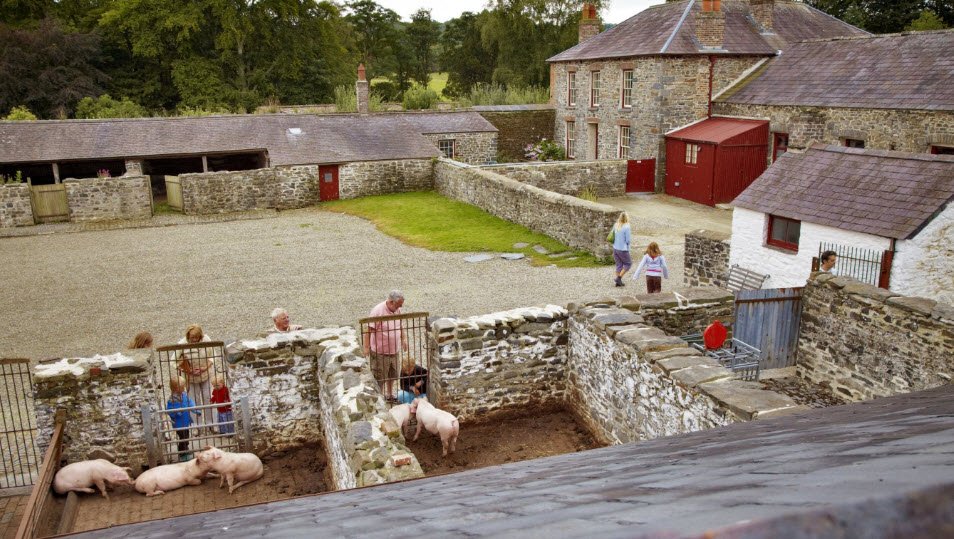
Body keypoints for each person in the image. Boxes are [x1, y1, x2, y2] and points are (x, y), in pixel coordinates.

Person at [363, 290, 408, 402]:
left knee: (393, 374)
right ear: (391, 302)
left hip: (394, 350)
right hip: (380, 352)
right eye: (399, 304)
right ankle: (379, 397)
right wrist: (366, 348)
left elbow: (400, 325)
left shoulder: (397, 310)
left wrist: (404, 338)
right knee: (380, 376)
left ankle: (389, 394)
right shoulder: (377, 311)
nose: (401, 307)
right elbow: (368, 330)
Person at [177, 324, 215, 430]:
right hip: (190, 378)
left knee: (208, 398)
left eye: (196, 337)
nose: (194, 340)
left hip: (205, 374)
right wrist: (186, 370)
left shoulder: (206, 340)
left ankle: (211, 424)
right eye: (191, 337)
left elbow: (212, 357)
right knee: (193, 400)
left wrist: (204, 368)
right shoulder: (181, 344)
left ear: (200, 337)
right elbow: (174, 362)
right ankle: (196, 426)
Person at [167, 376, 200, 462]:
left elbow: (190, 402)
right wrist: (176, 412)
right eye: (182, 387)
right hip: (179, 423)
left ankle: (186, 450)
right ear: (176, 388)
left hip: (185, 421)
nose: (184, 388)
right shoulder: (172, 400)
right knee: (183, 437)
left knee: (186, 436)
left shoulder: (184, 395)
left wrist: (195, 410)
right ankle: (182, 454)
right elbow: (169, 410)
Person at [611, 212, 632, 287]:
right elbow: (628, 240)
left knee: (619, 264)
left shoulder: (616, 225)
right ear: (627, 218)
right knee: (628, 264)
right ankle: (618, 278)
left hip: (615, 248)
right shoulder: (627, 226)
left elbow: (612, 234)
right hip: (622, 249)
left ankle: (618, 282)